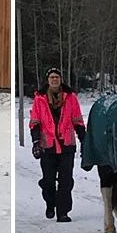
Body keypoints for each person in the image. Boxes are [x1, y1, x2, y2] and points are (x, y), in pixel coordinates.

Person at [29, 68, 85, 223]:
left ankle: (63, 212)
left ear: (61, 79)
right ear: (48, 80)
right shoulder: (39, 98)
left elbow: (77, 120)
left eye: (57, 77)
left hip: (66, 144)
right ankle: (50, 203)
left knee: (66, 180)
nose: (54, 80)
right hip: (48, 145)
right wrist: (36, 142)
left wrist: (83, 139)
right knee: (48, 180)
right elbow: (35, 122)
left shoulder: (71, 97)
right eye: (52, 77)